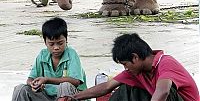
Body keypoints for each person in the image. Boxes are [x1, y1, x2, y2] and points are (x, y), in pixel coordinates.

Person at [65, 33, 199, 101]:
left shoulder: (166, 62)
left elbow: (163, 91)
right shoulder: (136, 71)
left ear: (135, 57)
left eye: (125, 64)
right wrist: (74, 97)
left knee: (166, 91)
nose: (125, 68)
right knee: (125, 87)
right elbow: (106, 87)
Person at [12, 17, 88, 101]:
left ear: (66, 40)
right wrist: (34, 84)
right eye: (51, 44)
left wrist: (47, 80)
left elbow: (76, 81)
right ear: (45, 42)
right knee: (21, 89)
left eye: (60, 43)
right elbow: (30, 79)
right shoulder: (42, 55)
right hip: (48, 97)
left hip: (72, 96)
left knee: (65, 86)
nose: (56, 47)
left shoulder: (71, 54)